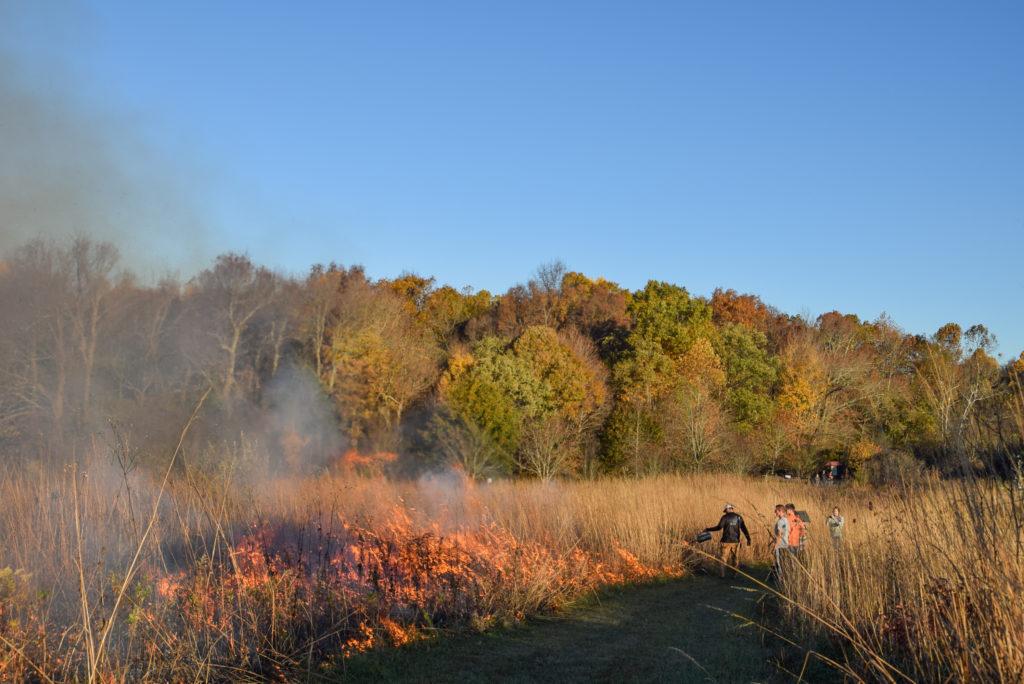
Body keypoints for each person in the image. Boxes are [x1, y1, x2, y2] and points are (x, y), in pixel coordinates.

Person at [703, 503, 751, 577]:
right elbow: (744, 529)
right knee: (735, 559)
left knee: (723, 558)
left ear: (728, 509)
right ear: (732, 508)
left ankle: (722, 575)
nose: (725, 512)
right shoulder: (738, 517)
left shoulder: (724, 517)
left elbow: (719, 527)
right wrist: (748, 539)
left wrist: (708, 529)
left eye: (725, 510)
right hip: (735, 542)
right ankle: (735, 575)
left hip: (725, 541)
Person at [773, 504, 790, 578]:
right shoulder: (786, 520)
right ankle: (785, 576)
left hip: (780, 545)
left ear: (780, 511)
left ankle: (781, 577)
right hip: (786, 543)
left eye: (776, 511)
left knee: (779, 562)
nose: (775, 512)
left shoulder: (780, 521)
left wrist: (776, 545)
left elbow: (779, 534)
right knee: (784, 562)